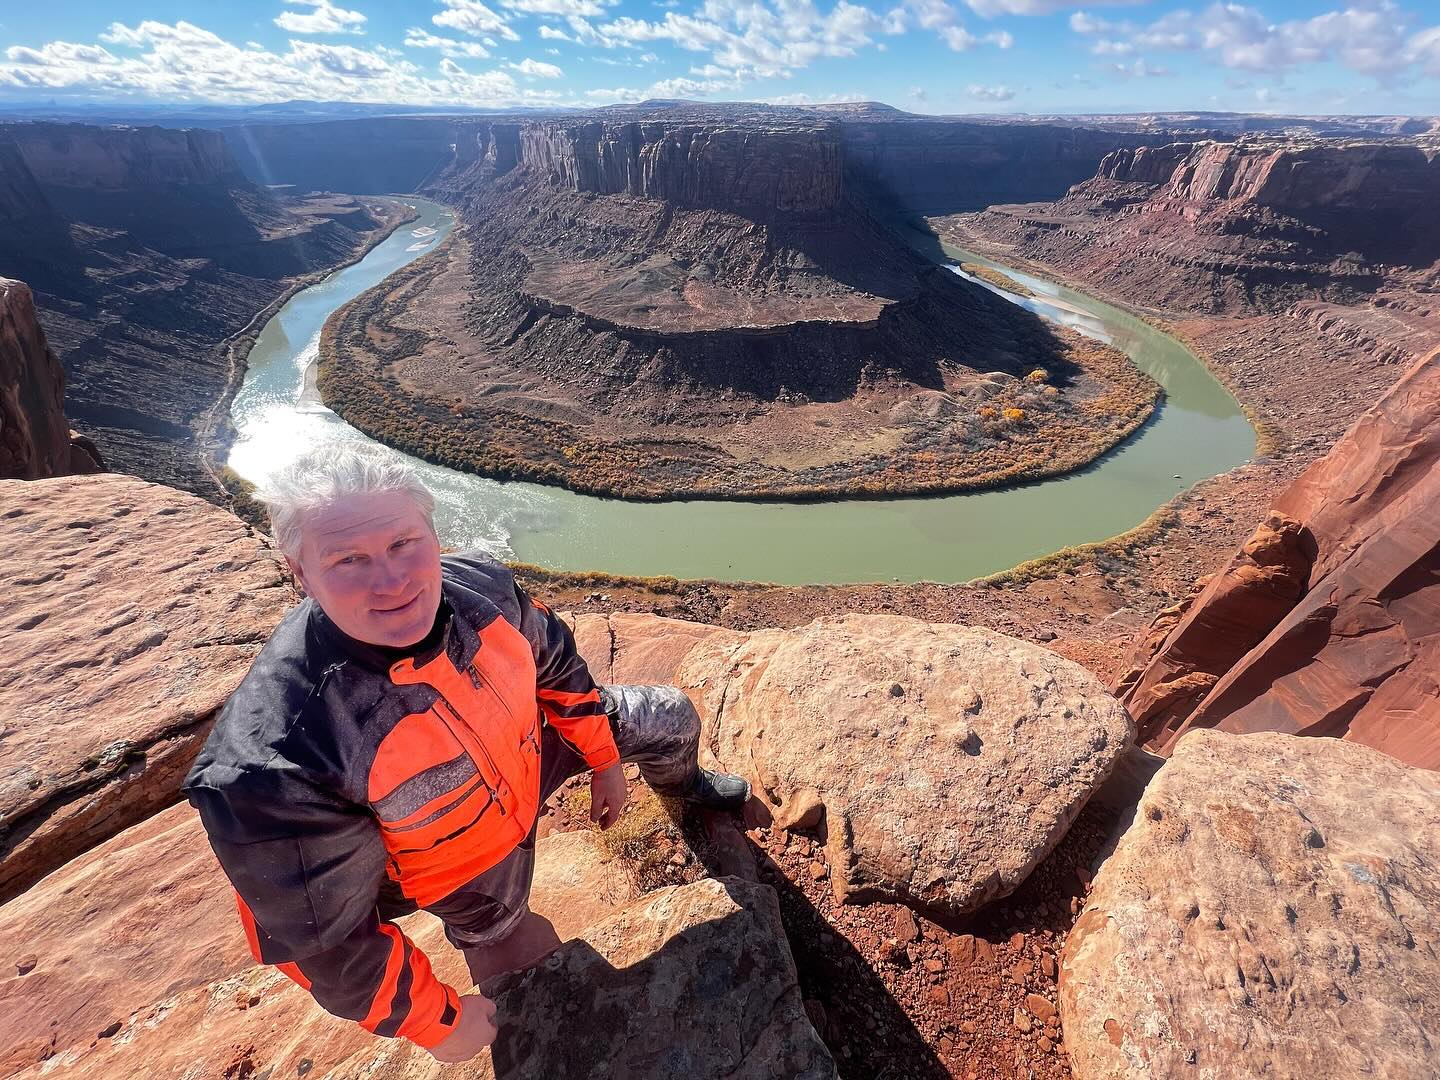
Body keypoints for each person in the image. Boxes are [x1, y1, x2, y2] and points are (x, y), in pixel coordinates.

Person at [183, 443, 750, 1064]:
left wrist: (604, 757)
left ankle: (685, 791)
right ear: (299, 572)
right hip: (456, 863)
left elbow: (556, 666)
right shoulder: (280, 757)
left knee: (668, 717)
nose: (392, 580)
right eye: (348, 559)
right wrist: (439, 1022)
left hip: (529, 748)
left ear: (433, 532)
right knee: (523, 962)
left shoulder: (484, 590)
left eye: (404, 543)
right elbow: (317, 938)